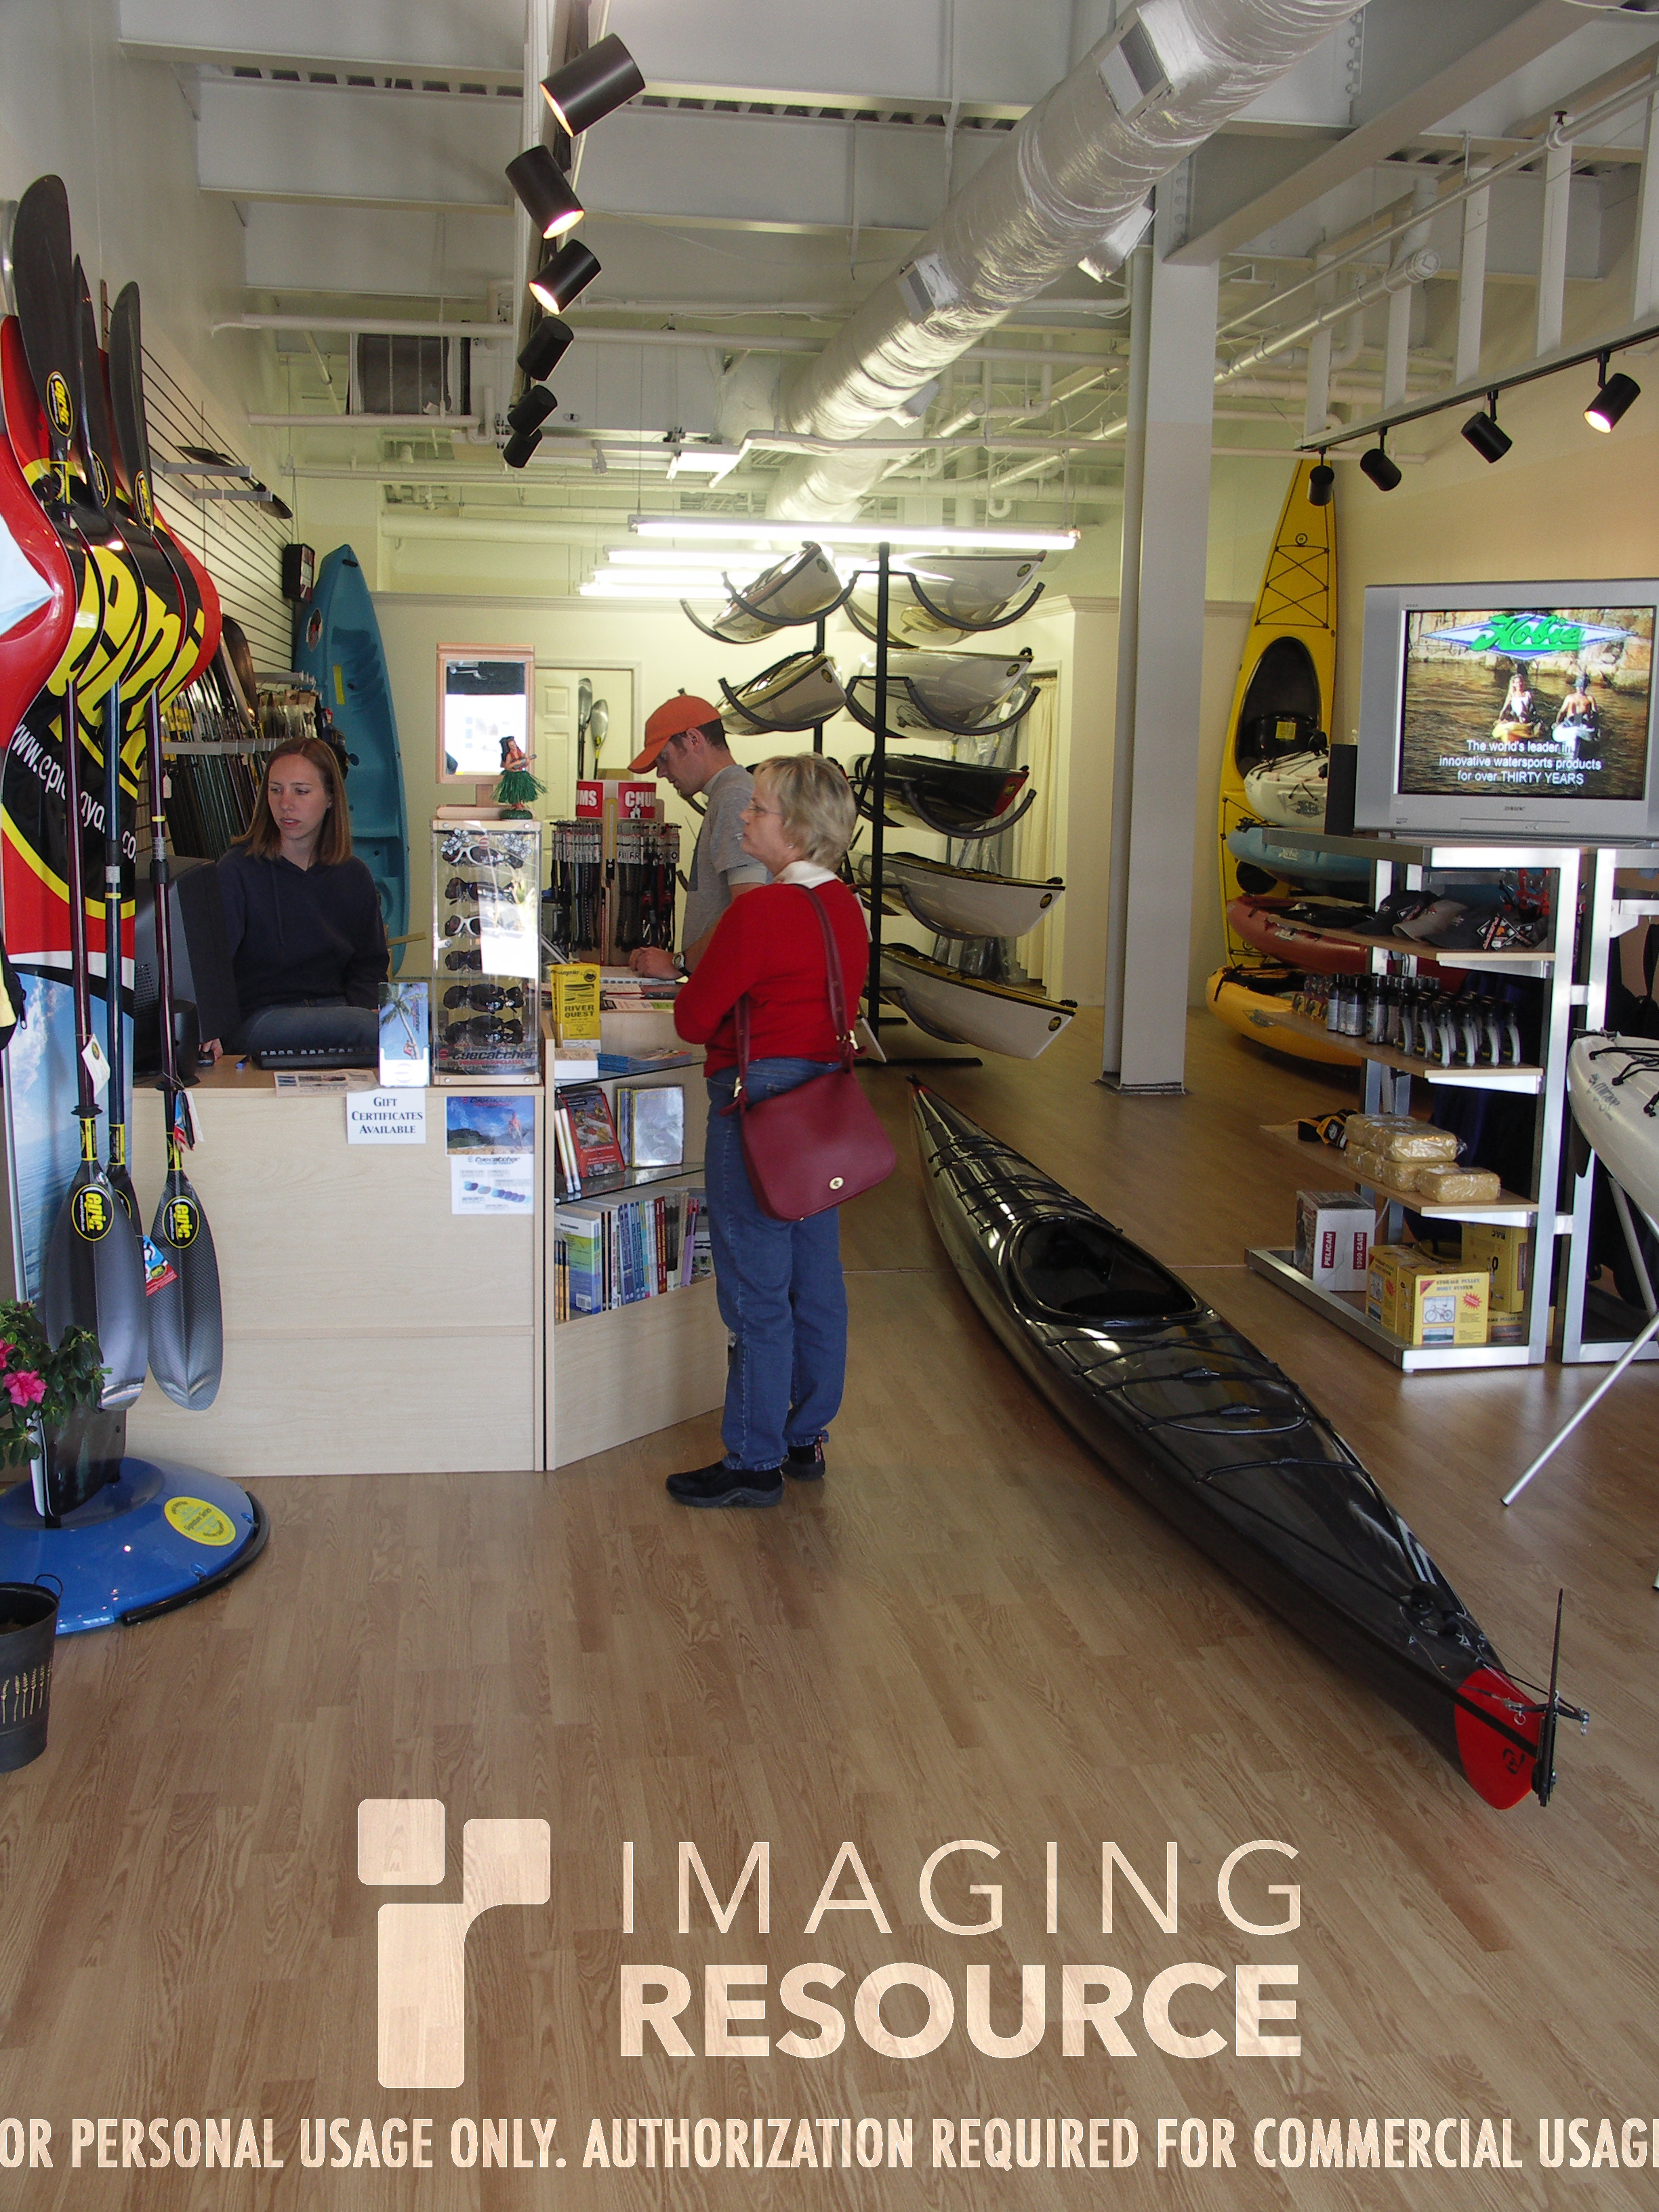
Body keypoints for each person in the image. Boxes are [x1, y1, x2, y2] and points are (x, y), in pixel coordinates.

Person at [665, 754, 868, 1508]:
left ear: (797, 826)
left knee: (755, 1291)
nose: (745, 819)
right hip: (820, 1108)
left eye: (758, 809)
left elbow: (693, 1019)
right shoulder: (844, 908)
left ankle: (753, 1461)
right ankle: (803, 1434)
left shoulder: (758, 914)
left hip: (754, 1108)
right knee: (816, 1281)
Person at [213, 737, 388, 1060]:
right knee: (372, 1029)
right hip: (261, 1017)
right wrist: (208, 1026)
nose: (285, 804)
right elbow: (213, 965)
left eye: (301, 791)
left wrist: (372, 1009)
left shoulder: (354, 875)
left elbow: (369, 966)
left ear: (331, 798)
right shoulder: (237, 870)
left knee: (407, 1024)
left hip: (340, 1013)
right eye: (275, 790)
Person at [626, 693, 768, 978]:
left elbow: (750, 907)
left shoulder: (733, 797)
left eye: (664, 758)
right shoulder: (727, 794)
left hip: (732, 986)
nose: (661, 772)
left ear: (693, 739)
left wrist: (679, 963)